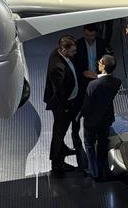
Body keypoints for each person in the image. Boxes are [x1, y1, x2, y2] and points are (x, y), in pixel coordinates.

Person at [81, 54, 121, 180]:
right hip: (106, 118)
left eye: (100, 62)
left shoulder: (92, 85)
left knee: (89, 144)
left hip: (92, 120)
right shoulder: (117, 82)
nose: (98, 63)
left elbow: (87, 105)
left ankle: (93, 171)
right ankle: (102, 168)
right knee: (102, 143)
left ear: (103, 66)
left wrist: (82, 115)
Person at [45, 35, 81, 173]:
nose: (75, 53)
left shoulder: (57, 51)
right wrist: (65, 108)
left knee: (61, 132)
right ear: (64, 50)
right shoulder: (58, 68)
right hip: (63, 106)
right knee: (59, 133)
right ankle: (57, 164)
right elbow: (60, 93)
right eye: (73, 51)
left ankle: (62, 149)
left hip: (68, 103)